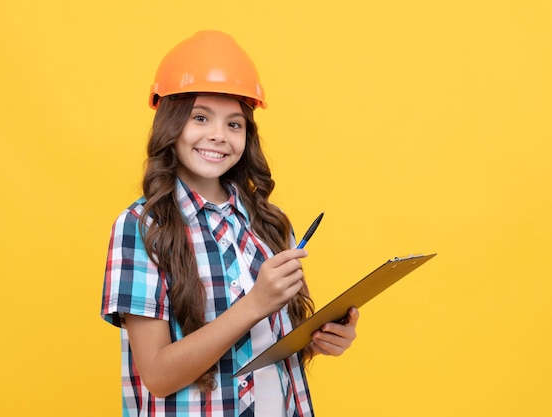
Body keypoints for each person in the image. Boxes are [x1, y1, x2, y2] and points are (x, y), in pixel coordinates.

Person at [100, 30, 359, 417]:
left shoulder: (268, 223)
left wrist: (320, 339)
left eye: (234, 124)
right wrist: (254, 304)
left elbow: (263, 346)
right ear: (170, 124)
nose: (218, 136)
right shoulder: (142, 227)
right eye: (201, 118)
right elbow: (157, 374)